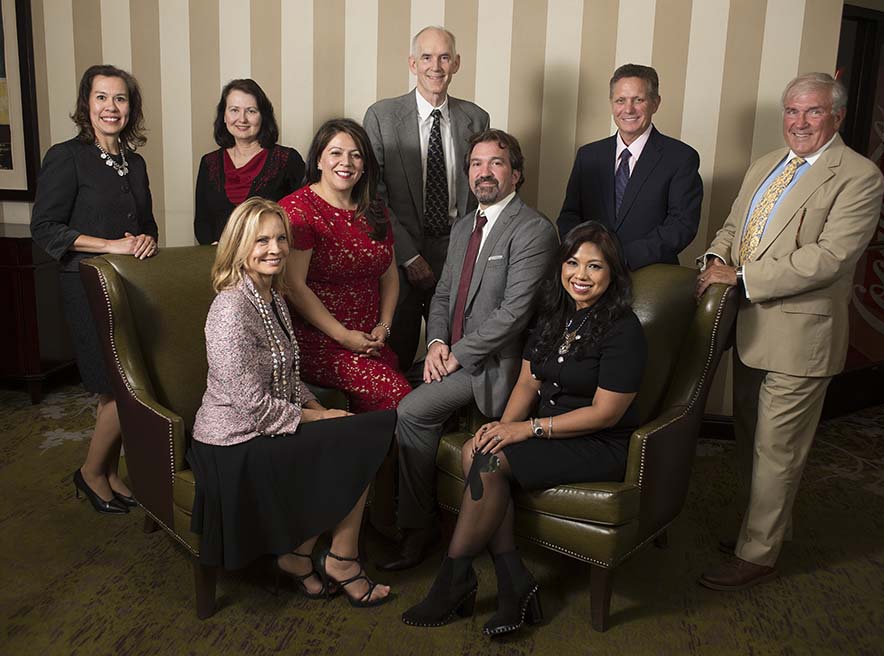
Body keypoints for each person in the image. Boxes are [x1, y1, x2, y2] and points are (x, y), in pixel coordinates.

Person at [402, 222, 647, 635]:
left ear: (612, 274)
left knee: (487, 463)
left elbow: (606, 413)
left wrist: (526, 430)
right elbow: (528, 382)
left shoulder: (624, 329)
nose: (581, 275)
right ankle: (513, 579)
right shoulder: (555, 317)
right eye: (572, 263)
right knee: (477, 452)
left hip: (599, 441)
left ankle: (454, 579)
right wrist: (502, 427)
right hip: (548, 430)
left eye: (594, 267)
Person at [695, 73, 884, 591]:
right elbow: (735, 226)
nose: (800, 122)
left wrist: (737, 277)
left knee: (779, 451)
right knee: (751, 440)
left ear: (837, 116)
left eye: (814, 112)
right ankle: (767, 531)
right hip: (752, 331)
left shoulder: (859, 176)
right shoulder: (767, 165)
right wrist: (716, 255)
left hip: (801, 340)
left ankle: (758, 554)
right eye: (793, 112)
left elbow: (829, 258)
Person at [188, 197, 393, 607]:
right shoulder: (231, 309)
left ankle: (303, 555)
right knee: (363, 435)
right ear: (239, 246)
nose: (276, 249)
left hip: (264, 428)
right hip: (232, 444)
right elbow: (253, 406)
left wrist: (318, 409)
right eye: (261, 240)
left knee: (362, 430)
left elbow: (288, 377)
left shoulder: (272, 295)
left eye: (281, 238)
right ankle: (339, 560)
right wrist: (318, 420)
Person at [378, 129, 559, 572]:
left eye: (496, 163)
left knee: (412, 411)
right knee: (383, 392)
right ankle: (385, 516)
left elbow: (514, 314)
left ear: (516, 173)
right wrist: (437, 343)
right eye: (476, 164)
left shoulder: (534, 230)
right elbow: (441, 296)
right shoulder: (464, 228)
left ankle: (419, 529)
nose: (484, 172)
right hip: (452, 354)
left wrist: (457, 354)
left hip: (492, 366)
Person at [31, 64, 158, 515]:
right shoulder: (66, 157)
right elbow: (45, 228)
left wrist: (144, 241)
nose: (111, 107)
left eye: (120, 99)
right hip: (87, 285)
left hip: (130, 286)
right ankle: (90, 472)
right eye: (102, 97)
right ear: (87, 104)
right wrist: (110, 245)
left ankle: (108, 472)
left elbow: (146, 228)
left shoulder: (135, 162)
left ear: (131, 107)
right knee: (119, 388)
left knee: (121, 389)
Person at [364, 26, 490, 372]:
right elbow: (373, 196)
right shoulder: (382, 117)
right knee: (395, 354)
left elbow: (481, 191)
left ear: (457, 64)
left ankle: (438, 421)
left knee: (451, 353)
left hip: (456, 250)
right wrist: (408, 256)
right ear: (412, 64)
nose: (436, 66)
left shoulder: (476, 119)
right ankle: (394, 422)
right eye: (427, 57)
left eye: (445, 57)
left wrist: (465, 251)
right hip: (399, 255)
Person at [280, 119, 412, 413]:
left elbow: (389, 275)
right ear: (318, 159)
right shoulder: (299, 209)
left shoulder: (374, 207)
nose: (346, 162)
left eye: (356, 155)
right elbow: (294, 287)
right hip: (321, 343)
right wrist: (343, 336)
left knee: (405, 404)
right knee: (400, 399)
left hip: (371, 339)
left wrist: (384, 325)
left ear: (365, 165)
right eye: (336, 153)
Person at [557, 64, 702, 269]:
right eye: (620, 100)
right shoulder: (588, 155)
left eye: (638, 100)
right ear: (611, 104)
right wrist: (589, 257)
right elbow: (569, 216)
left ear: (655, 103)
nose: (628, 109)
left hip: (648, 272)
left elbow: (681, 226)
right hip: (588, 271)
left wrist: (618, 258)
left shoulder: (680, 158)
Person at [194, 78, 305, 244]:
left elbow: (301, 219)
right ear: (224, 116)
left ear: (263, 116)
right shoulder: (209, 163)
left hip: (272, 262)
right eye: (234, 110)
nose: (242, 119)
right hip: (219, 262)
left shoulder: (288, 160)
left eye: (251, 111)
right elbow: (202, 222)